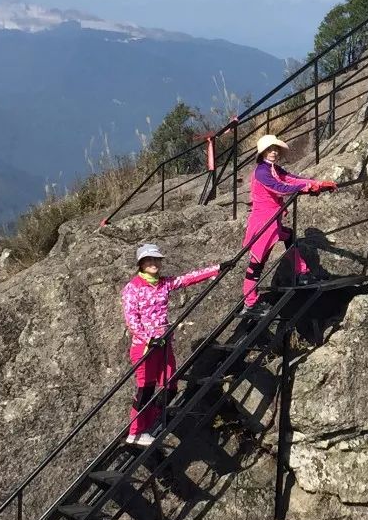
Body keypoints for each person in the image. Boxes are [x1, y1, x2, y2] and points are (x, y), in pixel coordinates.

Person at [121, 243, 221, 446]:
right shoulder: (132, 288)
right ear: (141, 264)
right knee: (146, 389)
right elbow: (131, 319)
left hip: (164, 344)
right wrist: (149, 339)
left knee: (170, 385)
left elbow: (187, 279)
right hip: (145, 347)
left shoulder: (164, 283)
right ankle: (135, 432)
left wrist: (217, 269)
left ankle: (150, 423)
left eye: (156, 259)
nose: (154, 263)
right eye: (149, 260)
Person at [243, 135, 337, 311]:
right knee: (257, 263)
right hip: (263, 223)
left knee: (289, 236)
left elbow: (292, 180)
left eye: (275, 149)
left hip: (273, 221)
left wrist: (317, 184)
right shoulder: (262, 172)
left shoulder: (274, 169)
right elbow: (280, 188)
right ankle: (250, 302)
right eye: (270, 149)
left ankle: (302, 272)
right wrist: (307, 188)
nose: (273, 152)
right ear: (262, 152)